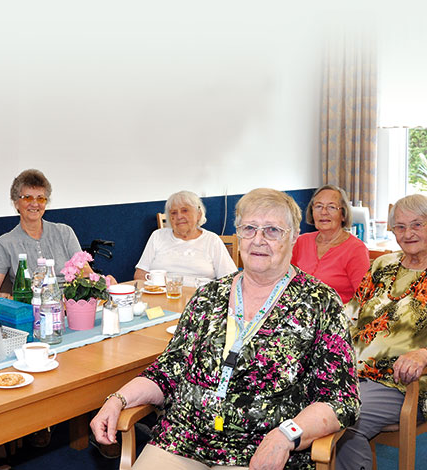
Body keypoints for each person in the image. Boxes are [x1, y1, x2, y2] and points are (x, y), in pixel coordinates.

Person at [92, 188, 360, 470]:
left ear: (293, 236)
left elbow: (340, 399)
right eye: (249, 228)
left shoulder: (319, 302)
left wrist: (286, 436)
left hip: (263, 446)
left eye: (272, 230)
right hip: (184, 438)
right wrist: (117, 399)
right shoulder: (209, 295)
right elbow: (167, 370)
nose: (258, 240)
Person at [335, 194, 427, 470]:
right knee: (301, 407)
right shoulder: (382, 265)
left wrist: (425, 355)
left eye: (417, 225)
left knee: (340, 418)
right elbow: (349, 314)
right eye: (399, 226)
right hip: (351, 372)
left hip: (407, 383)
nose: (407, 233)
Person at [0, 168, 113, 295]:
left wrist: (104, 282)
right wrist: (11, 300)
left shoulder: (65, 233)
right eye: (27, 198)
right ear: (16, 203)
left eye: (40, 198)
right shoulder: (5, 243)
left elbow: (86, 273)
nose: (35, 204)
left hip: (69, 305)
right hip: (32, 308)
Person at [134, 190, 236, 287]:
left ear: (198, 214)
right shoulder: (157, 236)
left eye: (185, 210)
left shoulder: (212, 240)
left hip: (199, 299)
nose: (179, 216)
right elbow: (140, 274)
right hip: (163, 296)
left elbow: (229, 279)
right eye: (173, 213)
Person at [290, 185, 369, 303]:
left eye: (331, 207)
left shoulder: (356, 249)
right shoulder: (301, 242)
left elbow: (365, 298)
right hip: (301, 315)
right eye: (318, 206)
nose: (323, 212)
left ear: (343, 214)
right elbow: (286, 282)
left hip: (339, 317)